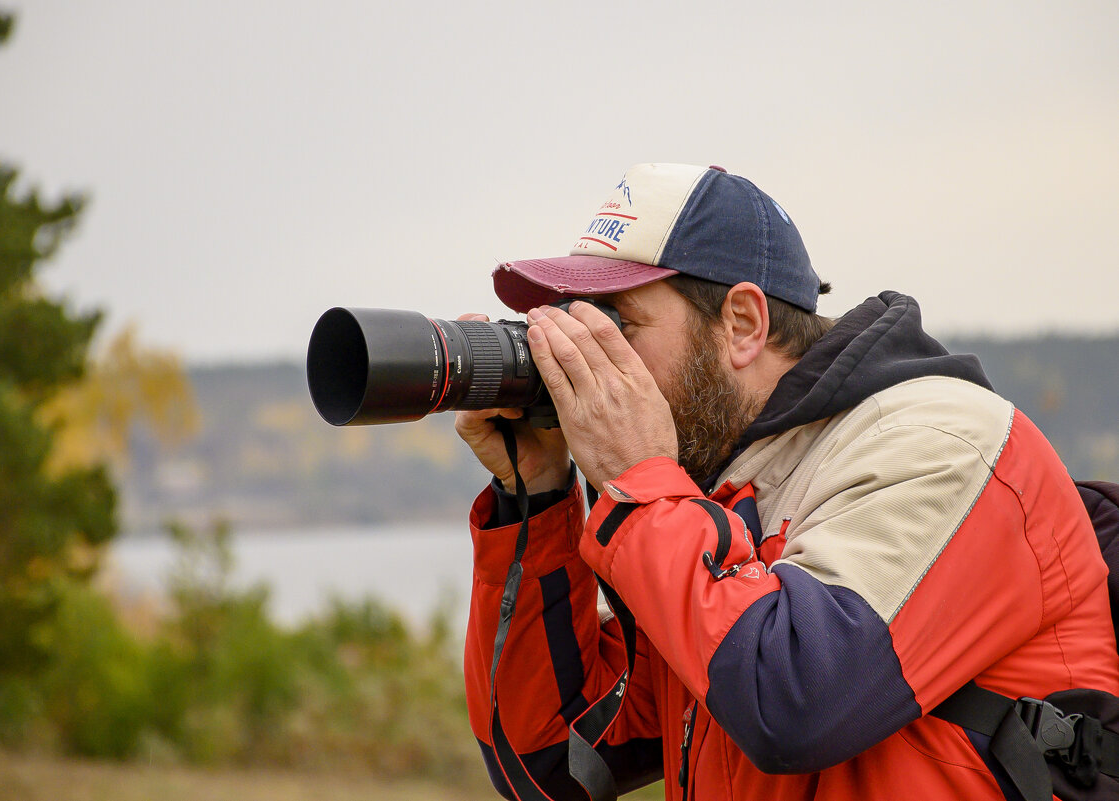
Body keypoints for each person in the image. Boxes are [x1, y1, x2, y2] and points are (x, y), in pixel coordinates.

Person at [454, 162, 1119, 800]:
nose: (581, 354)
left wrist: (640, 482)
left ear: (742, 323)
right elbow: (550, 760)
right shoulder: (718, 506)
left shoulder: (942, 441)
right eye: (573, 320)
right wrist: (533, 496)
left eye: (614, 323)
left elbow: (795, 701)